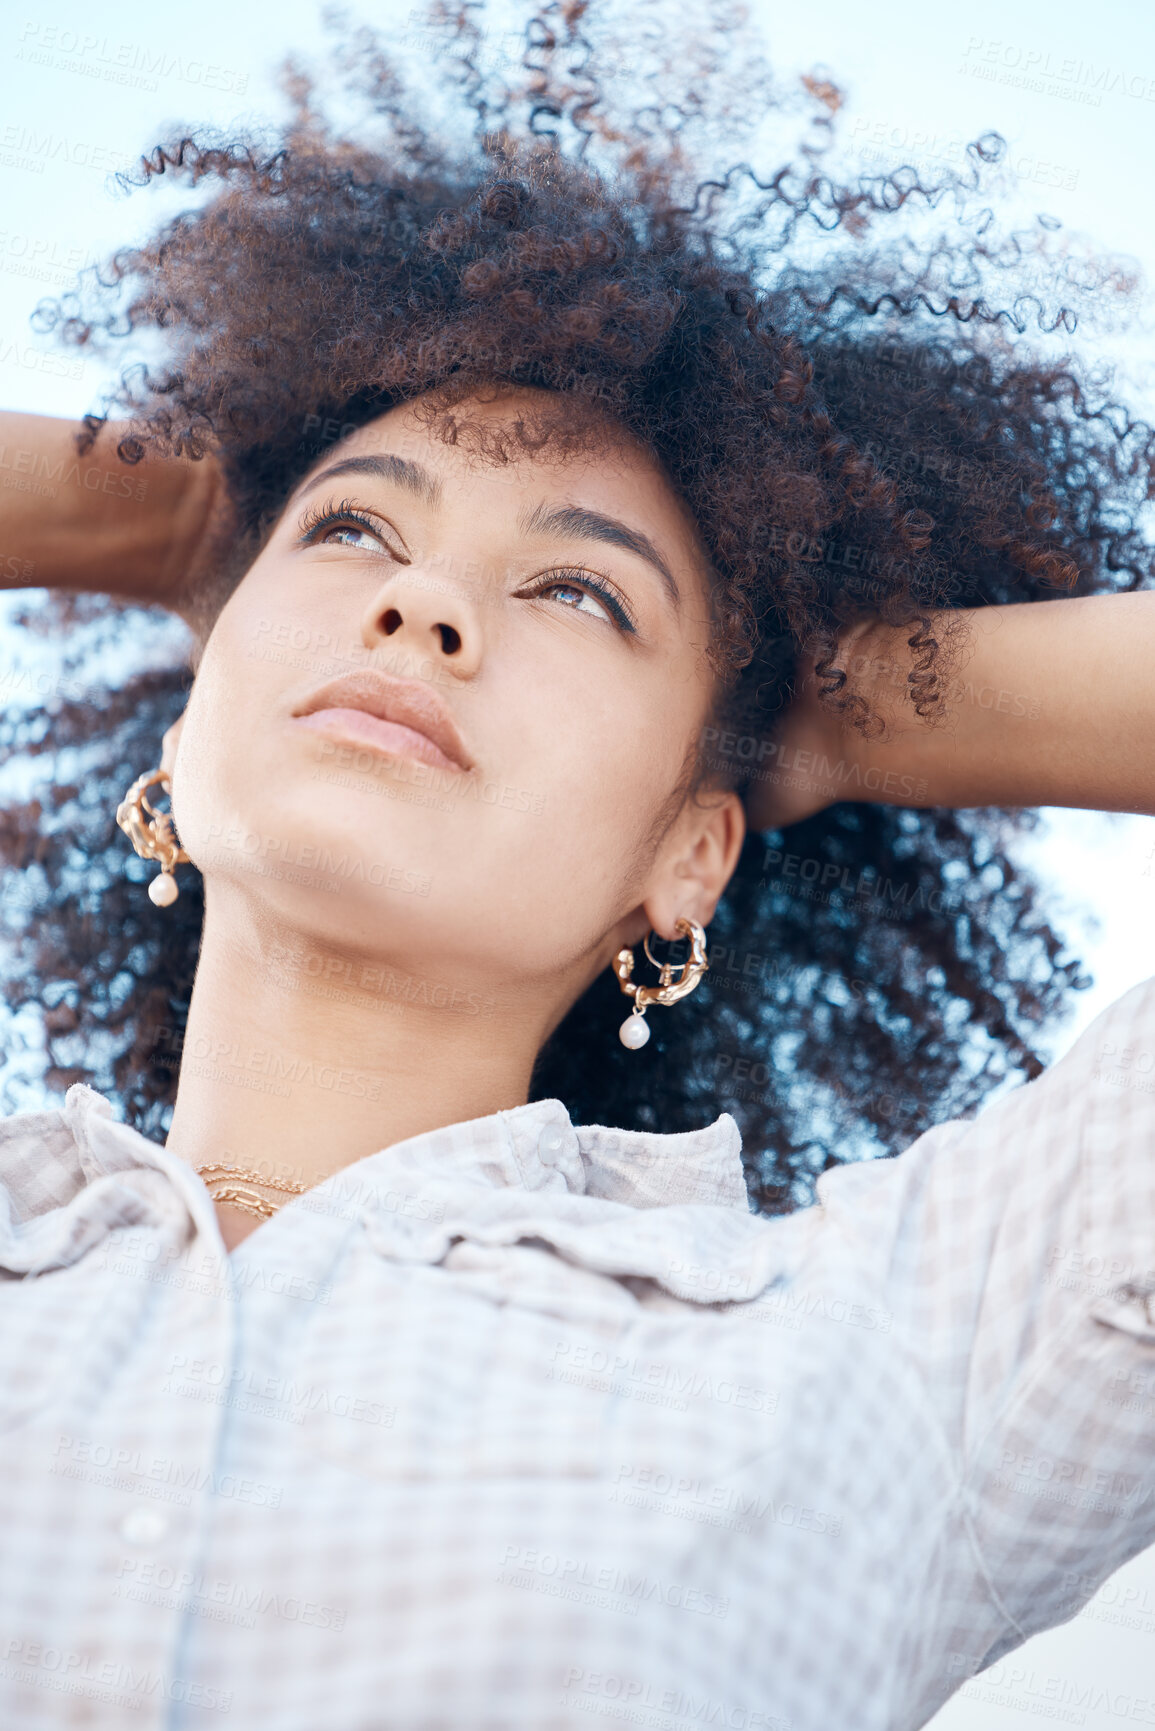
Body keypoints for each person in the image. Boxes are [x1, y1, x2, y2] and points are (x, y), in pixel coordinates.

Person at [1, 6, 1153, 1727]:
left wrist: (828, 707)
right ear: (181, 734)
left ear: (689, 857)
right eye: (353, 532)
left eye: (579, 593)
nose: (423, 604)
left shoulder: (894, 1354)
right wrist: (168, 514)